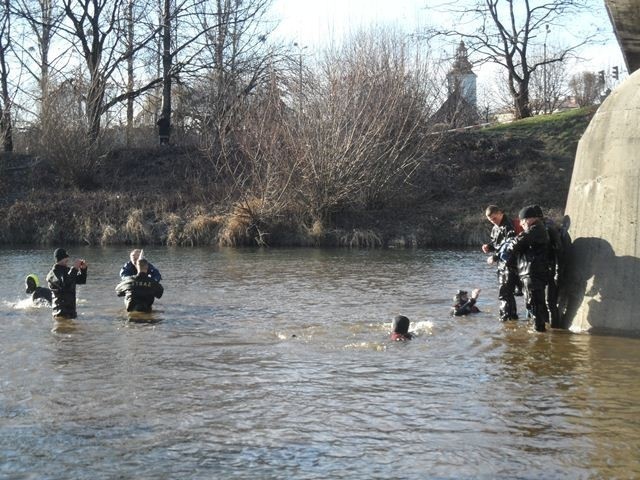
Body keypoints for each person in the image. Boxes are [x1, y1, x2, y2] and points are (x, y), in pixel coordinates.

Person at [504, 205, 550, 332]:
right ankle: (542, 330)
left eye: (522, 221)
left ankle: (539, 332)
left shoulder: (536, 230)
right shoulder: (535, 230)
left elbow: (517, 244)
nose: (521, 224)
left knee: (534, 303)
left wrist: (510, 243)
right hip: (532, 272)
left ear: (528, 219)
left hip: (533, 273)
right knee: (535, 303)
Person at [481, 205, 519, 322]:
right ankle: (511, 318)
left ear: (500, 213)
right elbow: (497, 244)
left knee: (505, 292)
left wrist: (495, 257)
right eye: (491, 220)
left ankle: (506, 319)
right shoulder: (495, 228)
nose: (493, 221)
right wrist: (489, 247)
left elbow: (511, 245)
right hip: (502, 264)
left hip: (511, 264)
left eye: (494, 218)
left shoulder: (508, 225)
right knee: (506, 292)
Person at [46, 248, 88, 319]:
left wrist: (83, 269)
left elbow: (81, 280)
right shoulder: (53, 274)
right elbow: (64, 284)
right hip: (60, 313)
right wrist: (74, 269)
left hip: (71, 313)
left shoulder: (67, 270)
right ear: (60, 259)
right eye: (66, 258)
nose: (68, 259)